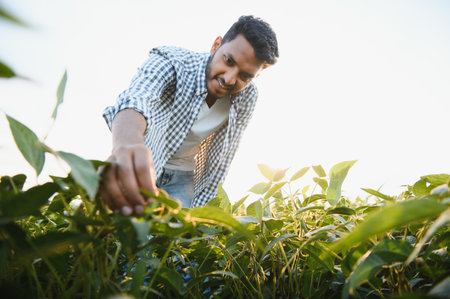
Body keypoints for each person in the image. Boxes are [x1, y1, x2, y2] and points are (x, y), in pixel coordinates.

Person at [100, 15, 279, 215]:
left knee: (173, 241)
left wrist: (206, 214)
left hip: (182, 176)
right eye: (228, 61)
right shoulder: (174, 61)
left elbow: (221, 160)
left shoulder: (247, 97)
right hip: (142, 163)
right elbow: (137, 98)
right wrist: (127, 143)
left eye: (244, 76)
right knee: (125, 230)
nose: (229, 79)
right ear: (216, 45)